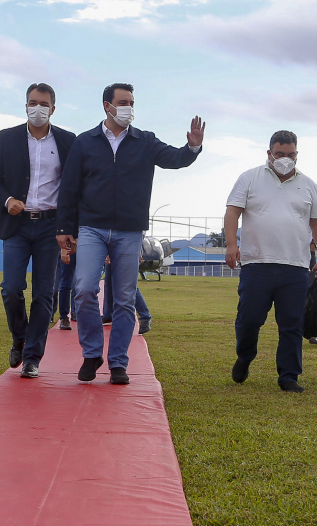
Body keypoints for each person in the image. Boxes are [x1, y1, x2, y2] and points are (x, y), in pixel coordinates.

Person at [56, 82, 205, 385]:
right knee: (84, 289)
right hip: (91, 228)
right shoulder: (85, 142)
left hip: (129, 231)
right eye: (123, 102)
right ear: (107, 106)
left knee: (124, 298)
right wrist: (64, 229)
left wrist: (192, 147)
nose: (129, 108)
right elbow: (69, 188)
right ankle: (92, 353)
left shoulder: (145, 141)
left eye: (132, 103)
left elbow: (176, 159)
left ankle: (118, 363)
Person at [224, 130, 317, 393]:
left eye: (291, 154)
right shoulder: (249, 178)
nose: (285, 159)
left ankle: (288, 376)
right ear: (269, 153)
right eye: (280, 154)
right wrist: (231, 244)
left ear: (297, 154)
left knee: (292, 324)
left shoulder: (309, 185)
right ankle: (245, 357)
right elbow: (232, 212)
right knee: (248, 320)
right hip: (256, 264)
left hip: (295, 266)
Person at [0, 83, 77, 379]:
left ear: (53, 108)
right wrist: (7, 200)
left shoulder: (67, 141)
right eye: (32, 102)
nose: (38, 108)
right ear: (25, 105)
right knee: (11, 288)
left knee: (44, 295)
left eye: (44, 103)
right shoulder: (7, 138)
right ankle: (19, 337)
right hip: (17, 224)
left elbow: (74, 186)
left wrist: (69, 227)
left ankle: (33, 357)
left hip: (51, 226)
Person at [102, 257, 152, 334]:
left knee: (128, 284)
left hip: (125, 249)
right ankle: (108, 315)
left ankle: (145, 317)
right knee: (109, 282)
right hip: (111, 248)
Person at [57, 249, 76, 330]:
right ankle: (64, 317)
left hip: (86, 244)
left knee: (79, 282)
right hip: (69, 245)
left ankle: (76, 311)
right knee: (66, 282)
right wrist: (64, 249)